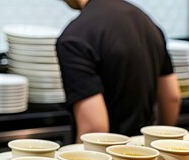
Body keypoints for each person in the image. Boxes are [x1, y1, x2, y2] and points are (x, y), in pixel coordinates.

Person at [57, 0, 181, 142]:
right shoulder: (146, 22)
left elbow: (94, 127)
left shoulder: (75, 37)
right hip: (147, 155)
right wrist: (159, 145)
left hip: (109, 159)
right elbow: (172, 97)